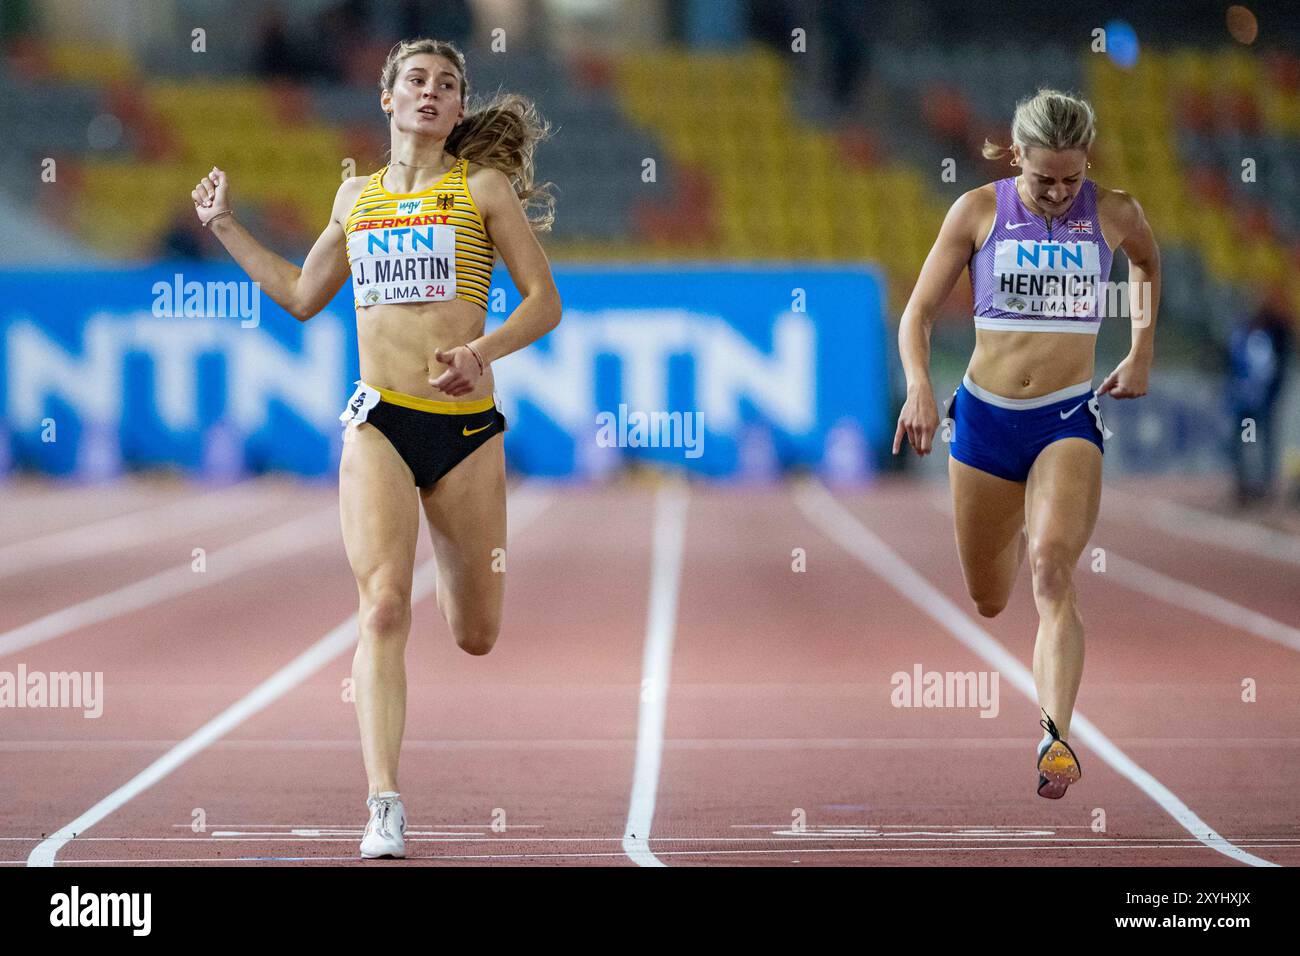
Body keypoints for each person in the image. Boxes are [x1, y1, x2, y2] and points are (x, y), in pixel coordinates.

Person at [191, 37, 561, 856]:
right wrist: (223, 224)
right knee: (384, 603)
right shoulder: (354, 200)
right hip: (379, 423)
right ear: (388, 100)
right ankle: (384, 803)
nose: (432, 93)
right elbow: (298, 295)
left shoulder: (484, 188)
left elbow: (544, 304)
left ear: (459, 109)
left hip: (465, 434)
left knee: (475, 633)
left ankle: (450, 562)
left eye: (448, 85)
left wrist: (480, 353)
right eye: (417, 81)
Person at [892, 88, 1159, 798]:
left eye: (1072, 178)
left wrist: (1140, 351)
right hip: (983, 419)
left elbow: (1146, 265)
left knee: (1051, 570)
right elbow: (915, 315)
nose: (1058, 193)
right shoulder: (978, 212)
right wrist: (919, 384)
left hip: (1066, 419)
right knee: (988, 598)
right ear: (1018, 157)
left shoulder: (1113, 212)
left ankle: (1055, 736)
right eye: (1045, 180)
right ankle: (1014, 516)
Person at [1226, 286, 1291, 506]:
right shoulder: (1244, 333)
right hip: (1245, 404)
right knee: (1246, 442)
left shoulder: (1267, 336)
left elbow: (1268, 372)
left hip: (1258, 403)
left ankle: (1260, 486)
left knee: (1257, 442)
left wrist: (1265, 396)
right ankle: (1247, 485)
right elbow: (1233, 365)